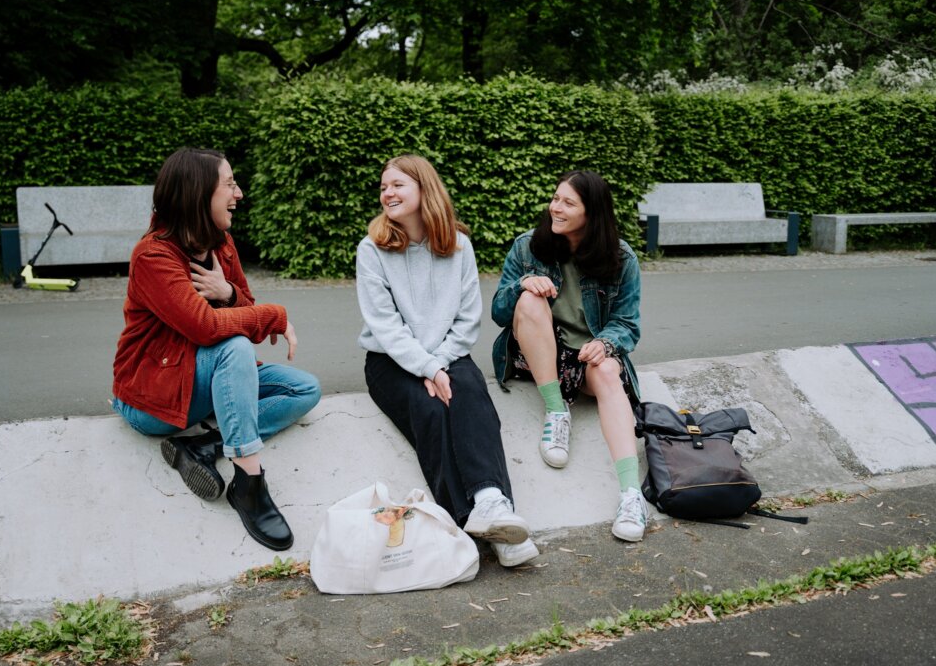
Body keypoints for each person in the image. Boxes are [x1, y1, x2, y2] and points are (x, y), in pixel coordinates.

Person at [111, 147, 321, 551]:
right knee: (234, 345)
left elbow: (244, 307)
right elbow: (208, 329)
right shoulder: (153, 256)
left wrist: (226, 291)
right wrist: (274, 315)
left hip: (203, 382)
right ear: (197, 193)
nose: (239, 193)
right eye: (230, 184)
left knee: (305, 389)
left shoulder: (221, 243)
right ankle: (249, 483)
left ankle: (203, 445)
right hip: (153, 398)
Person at [356, 154, 538, 567]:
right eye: (383, 186)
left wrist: (440, 362)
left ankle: (493, 504)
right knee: (430, 409)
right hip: (391, 362)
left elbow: (467, 319)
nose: (387, 193)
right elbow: (385, 326)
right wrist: (427, 368)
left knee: (470, 391)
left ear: (425, 189)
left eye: (398, 184)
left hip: (447, 353)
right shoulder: (372, 249)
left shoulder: (458, 245)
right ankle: (464, 528)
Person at [491, 170, 647, 542]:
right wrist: (521, 285)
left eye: (567, 203)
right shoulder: (528, 246)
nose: (555, 208)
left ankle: (631, 496)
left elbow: (628, 323)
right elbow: (499, 313)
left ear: (591, 213)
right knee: (529, 299)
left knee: (609, 371)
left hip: (587, 357)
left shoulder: (621, 258)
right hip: (538, 355)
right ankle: (557, 411)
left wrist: (606, 343)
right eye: (556, 198)